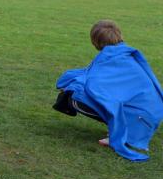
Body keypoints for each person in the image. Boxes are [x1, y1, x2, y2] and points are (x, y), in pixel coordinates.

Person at [54, 20, 163, 162]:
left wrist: (70, 86)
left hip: (141, 117)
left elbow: (94, 86)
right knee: (78, 89)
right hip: (151, 114)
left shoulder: (110, 57)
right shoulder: (123, 53)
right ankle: (123, 128)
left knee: (73, 97)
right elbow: (93, 76)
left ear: (95, 41)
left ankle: (122, 134)